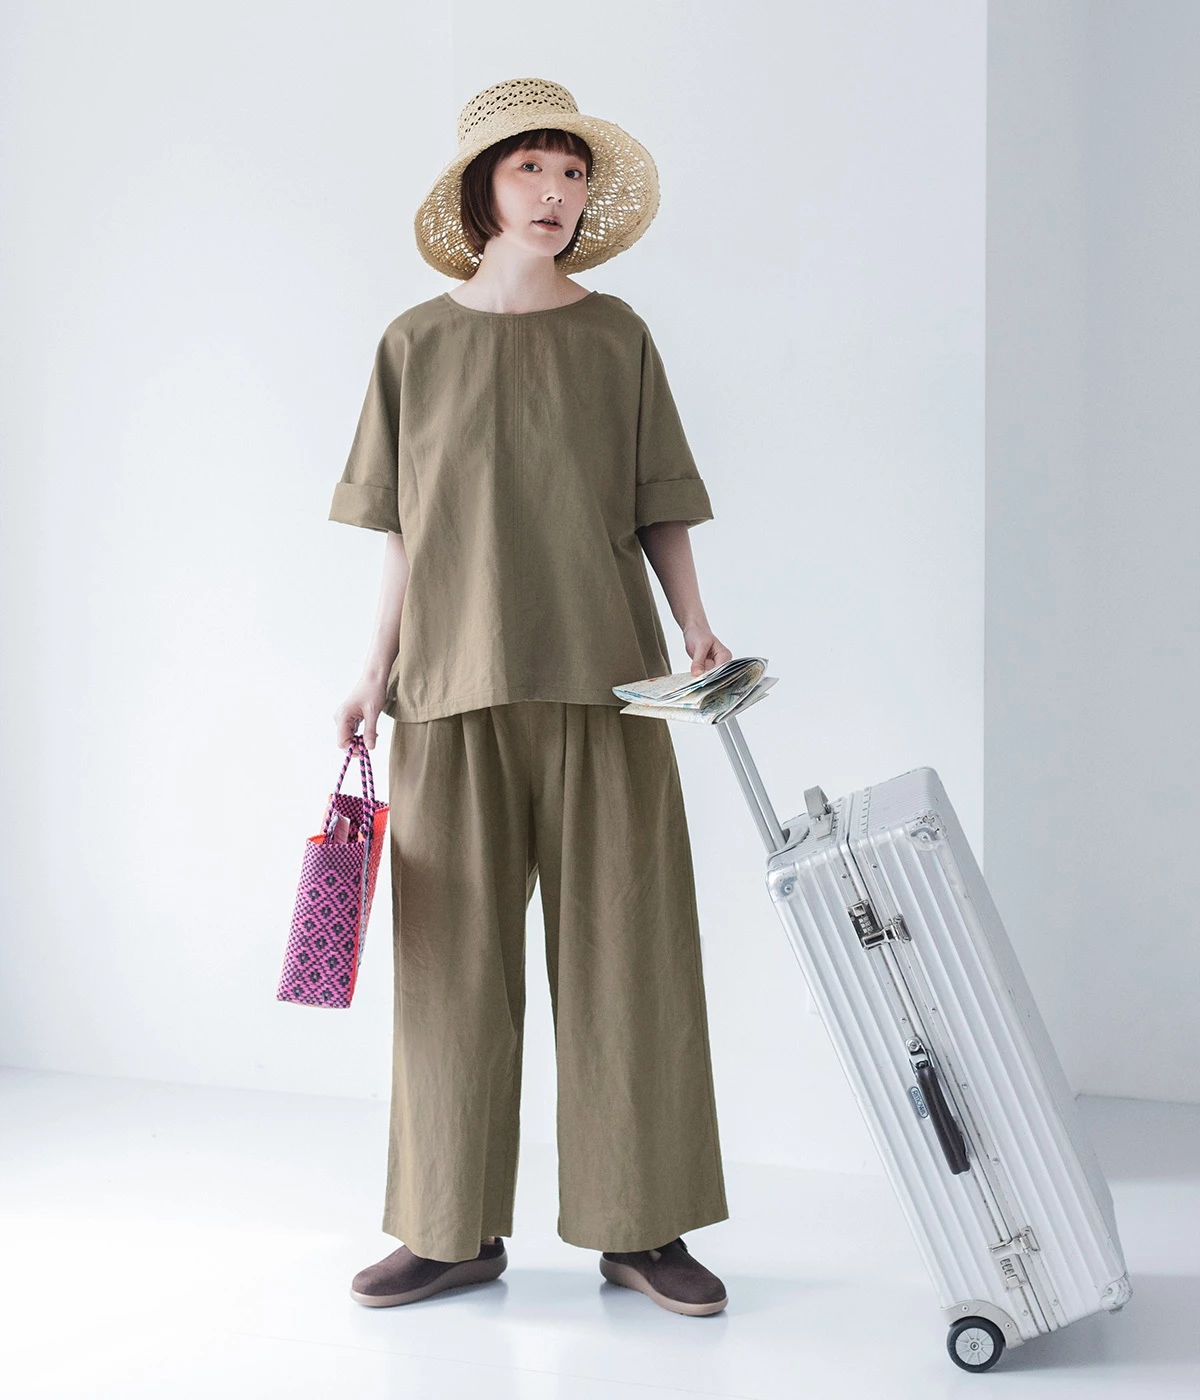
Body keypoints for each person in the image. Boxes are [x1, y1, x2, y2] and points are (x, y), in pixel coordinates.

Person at [329, 77, 732, 1317]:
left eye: (570, 172)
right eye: (529, 170)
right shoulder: (412, 343)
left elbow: (657, 497)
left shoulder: (617, 336)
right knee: (448, 970)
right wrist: (370, 670)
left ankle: (640, 1227)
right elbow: (402, 529)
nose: (555, 193)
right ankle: (448, 1230)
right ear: (482, 190)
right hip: (448, 688)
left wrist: (696, 624)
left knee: (630, 957)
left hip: (611, 684)